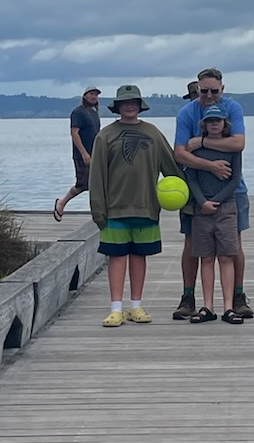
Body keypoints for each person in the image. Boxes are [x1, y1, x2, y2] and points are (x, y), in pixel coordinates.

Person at [88, 84, 184, 327]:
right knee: (117, 257)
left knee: (140, 256)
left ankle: (136, 306)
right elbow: (96, 175)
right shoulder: (105, 135)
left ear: (140, 105)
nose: (129, 105)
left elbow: (171, 169)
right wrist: (98, 208)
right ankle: (116, 308)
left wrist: (189, 195)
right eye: (124, 102)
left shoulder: (153, 133)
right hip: (114, 208)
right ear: (118, 106)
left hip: (146, 206)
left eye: (134, 102)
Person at [171, 67, 253, 320]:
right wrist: (210, 165)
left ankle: (237, 297)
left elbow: (238, 144)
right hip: (197, 191)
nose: (208, 95)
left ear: (222, 89)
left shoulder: (233, 108)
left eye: (214, 91)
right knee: (192, 243)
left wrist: (203, 143)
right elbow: (180, 152)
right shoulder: (187, 112)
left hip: (232, 191)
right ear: (197, 88)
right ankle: (188, 297)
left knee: (233, 244)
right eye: (203, 90)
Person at [184, 104, 244, 324]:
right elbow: (191, 178)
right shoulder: (196, 150)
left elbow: (235, 179)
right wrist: (202, 202)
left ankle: (228, 307)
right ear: (205, 125)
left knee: (226, 257)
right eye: (210, 121)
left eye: (218, 121)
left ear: (224, 124)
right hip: (202, 210)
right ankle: (207, 306)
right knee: (206, 258)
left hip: (226, 208)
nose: (214, 124)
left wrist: (217, 201)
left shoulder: (233, 150)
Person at [53, 84, 102, 221]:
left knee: (98, 183)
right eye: (91, 94)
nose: (94, 97)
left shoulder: (94, 113)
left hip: (95, 154)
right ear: (85, 96)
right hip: (82, 155)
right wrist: (84, 154)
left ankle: (100, 211)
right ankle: (61, 203)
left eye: (96, 95)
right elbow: (74, 133)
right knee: (83, 184)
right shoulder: (78, 112)